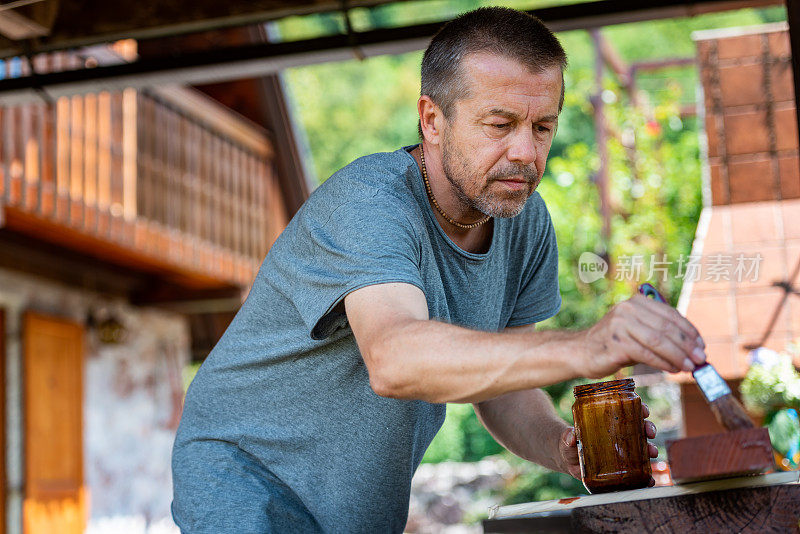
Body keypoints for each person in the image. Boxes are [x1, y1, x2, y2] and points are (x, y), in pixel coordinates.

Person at [171, 7, 707, 533]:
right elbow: (395, 358)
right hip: (245, 483)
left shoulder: (524, 218)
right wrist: (590, 345)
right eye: (500, 125)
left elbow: (500, 385)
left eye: (544, 126)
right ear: (432, 120)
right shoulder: (369, 200)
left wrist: (559, 445)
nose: (525, 152)